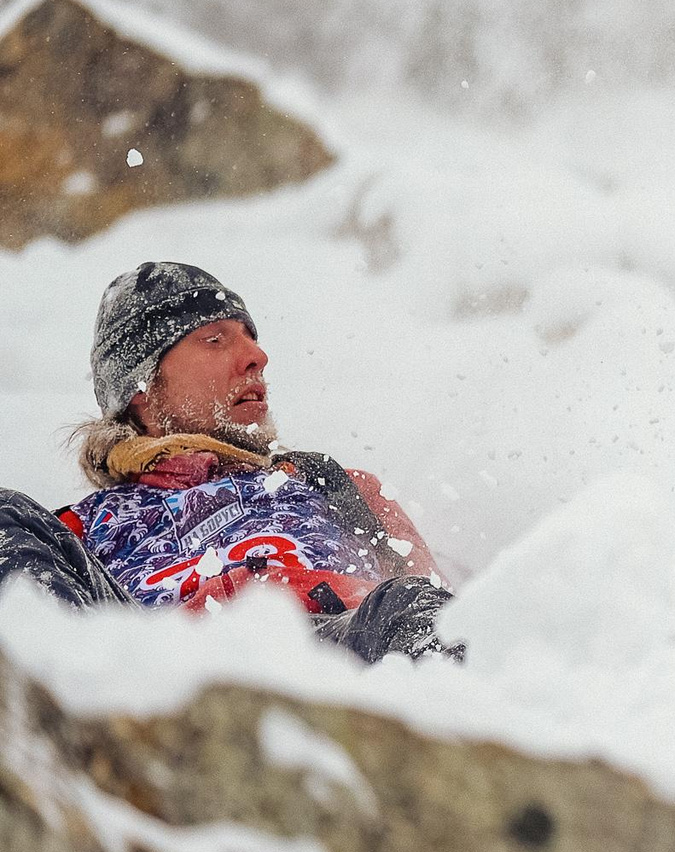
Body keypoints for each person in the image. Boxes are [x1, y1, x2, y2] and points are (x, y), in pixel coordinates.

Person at [0, 262, 458, 663]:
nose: (257, 357)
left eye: (251, 339)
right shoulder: (77, 529)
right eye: (215, 340)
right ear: (140, 384)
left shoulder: (330, 483)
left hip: (329, 650)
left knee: (411, 610)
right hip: (151, 671)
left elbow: (443, 606)